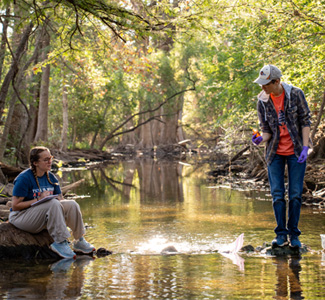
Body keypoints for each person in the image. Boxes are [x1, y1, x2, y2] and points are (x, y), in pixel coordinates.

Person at [252, 64, 311, 249]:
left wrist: (305, 147)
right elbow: (266, 131)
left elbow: (305, 120)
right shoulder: (262, 101)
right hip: (274, 153)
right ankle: (280, 235)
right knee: (277, 195)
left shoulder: (295, 94)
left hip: (296, 151)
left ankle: (294, 235)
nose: (263, 87)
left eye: (266, 84)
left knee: (294, 195)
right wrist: (261, 139)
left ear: (277, 81)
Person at [9, 146, 96, 259]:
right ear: (35, 163)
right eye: (46, 159)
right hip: (21, 217)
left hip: (41, 217)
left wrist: (59, 204)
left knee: (72, 204)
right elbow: (15, 206)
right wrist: (39, 199)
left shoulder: (51, 177)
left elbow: (61, 200)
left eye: (50, 158)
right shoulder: (24, 178)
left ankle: (79, 240)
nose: (50, 161)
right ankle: (60, 242)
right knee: (52, 204)